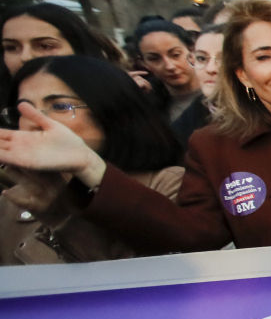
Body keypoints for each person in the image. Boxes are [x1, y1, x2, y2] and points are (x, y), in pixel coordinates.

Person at [0, 0, 271, 252]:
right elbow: (190, 234)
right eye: (265, 56)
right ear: (241, 73)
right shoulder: (212, 145)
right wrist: (89, 167)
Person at [1, 56, 183, 264]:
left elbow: (146, 278)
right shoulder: (14, 198)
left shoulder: (167, 183)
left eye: (60, 106)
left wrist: (60, 217)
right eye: (24, 109)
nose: (35, 122)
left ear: (110, 111)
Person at [2, 2, 125, 80]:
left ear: (79, 48)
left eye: (45, 46)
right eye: (11, 48)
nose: (25, 57)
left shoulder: (122, 105)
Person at [132, 19, 201, 122]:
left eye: (176, 55)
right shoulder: (150, 106)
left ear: (192, 50)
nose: (170, 66)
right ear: (143, 63)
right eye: (154, 59)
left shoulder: (224, 90)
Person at [171, 26, 224, 145]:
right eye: (201, 58)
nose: (211, 69)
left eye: (223, 59)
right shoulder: (188, 122)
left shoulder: (267, 111)